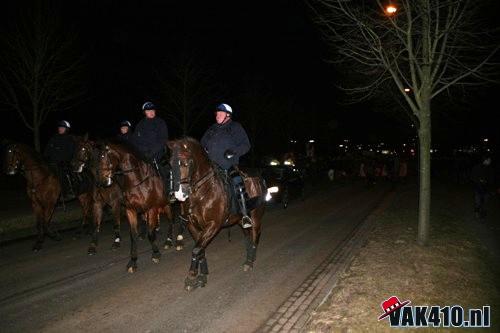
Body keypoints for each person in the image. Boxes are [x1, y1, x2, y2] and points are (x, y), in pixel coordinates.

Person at [201, 103, 252, 228]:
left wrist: (234, 151)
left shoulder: (235, 127)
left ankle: (245, 215)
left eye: (220, 113)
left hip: (227, 165)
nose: (217, 115)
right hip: (210, 166)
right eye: (217, 113)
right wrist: (204, 149)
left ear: (227, 115)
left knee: (238, 183)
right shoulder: (212, 128)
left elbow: (246, 145)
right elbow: (202, 142)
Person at [131, 102, 171, 194]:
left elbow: (163, 139)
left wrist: (151, 152)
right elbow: (135, 141)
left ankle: (167, 193)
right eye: (148, 111)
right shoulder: (140, 125)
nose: (151, 112)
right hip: (142, 156)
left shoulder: (160, 122)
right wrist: (141, 152)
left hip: (158, 155)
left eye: (152, 110)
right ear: (145, 112)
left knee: (165, 171)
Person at [44, 120, 77, 201]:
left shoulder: (69, 139)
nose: (60, 129)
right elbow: (47, 150)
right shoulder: (53, 138)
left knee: (63, 174)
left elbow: (70, 152)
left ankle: (68, 191)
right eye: (59, 127)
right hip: (51, 163)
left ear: (66, 129)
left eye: (62, 128)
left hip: (63, 164)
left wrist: (64, 160)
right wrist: (45, 157)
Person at [471, 156, 495, 220]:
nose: (490, 161)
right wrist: (479, 180)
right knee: (478, 202)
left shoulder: (490, 169)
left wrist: (489, 183)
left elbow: (492, 179)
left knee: (485, 203)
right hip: (478, 188)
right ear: (485, 160)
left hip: (486, 189)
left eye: (490, 160)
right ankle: (476, 213)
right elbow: (473, 177)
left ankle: (483, 215)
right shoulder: (477, 167)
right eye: (489, 160)